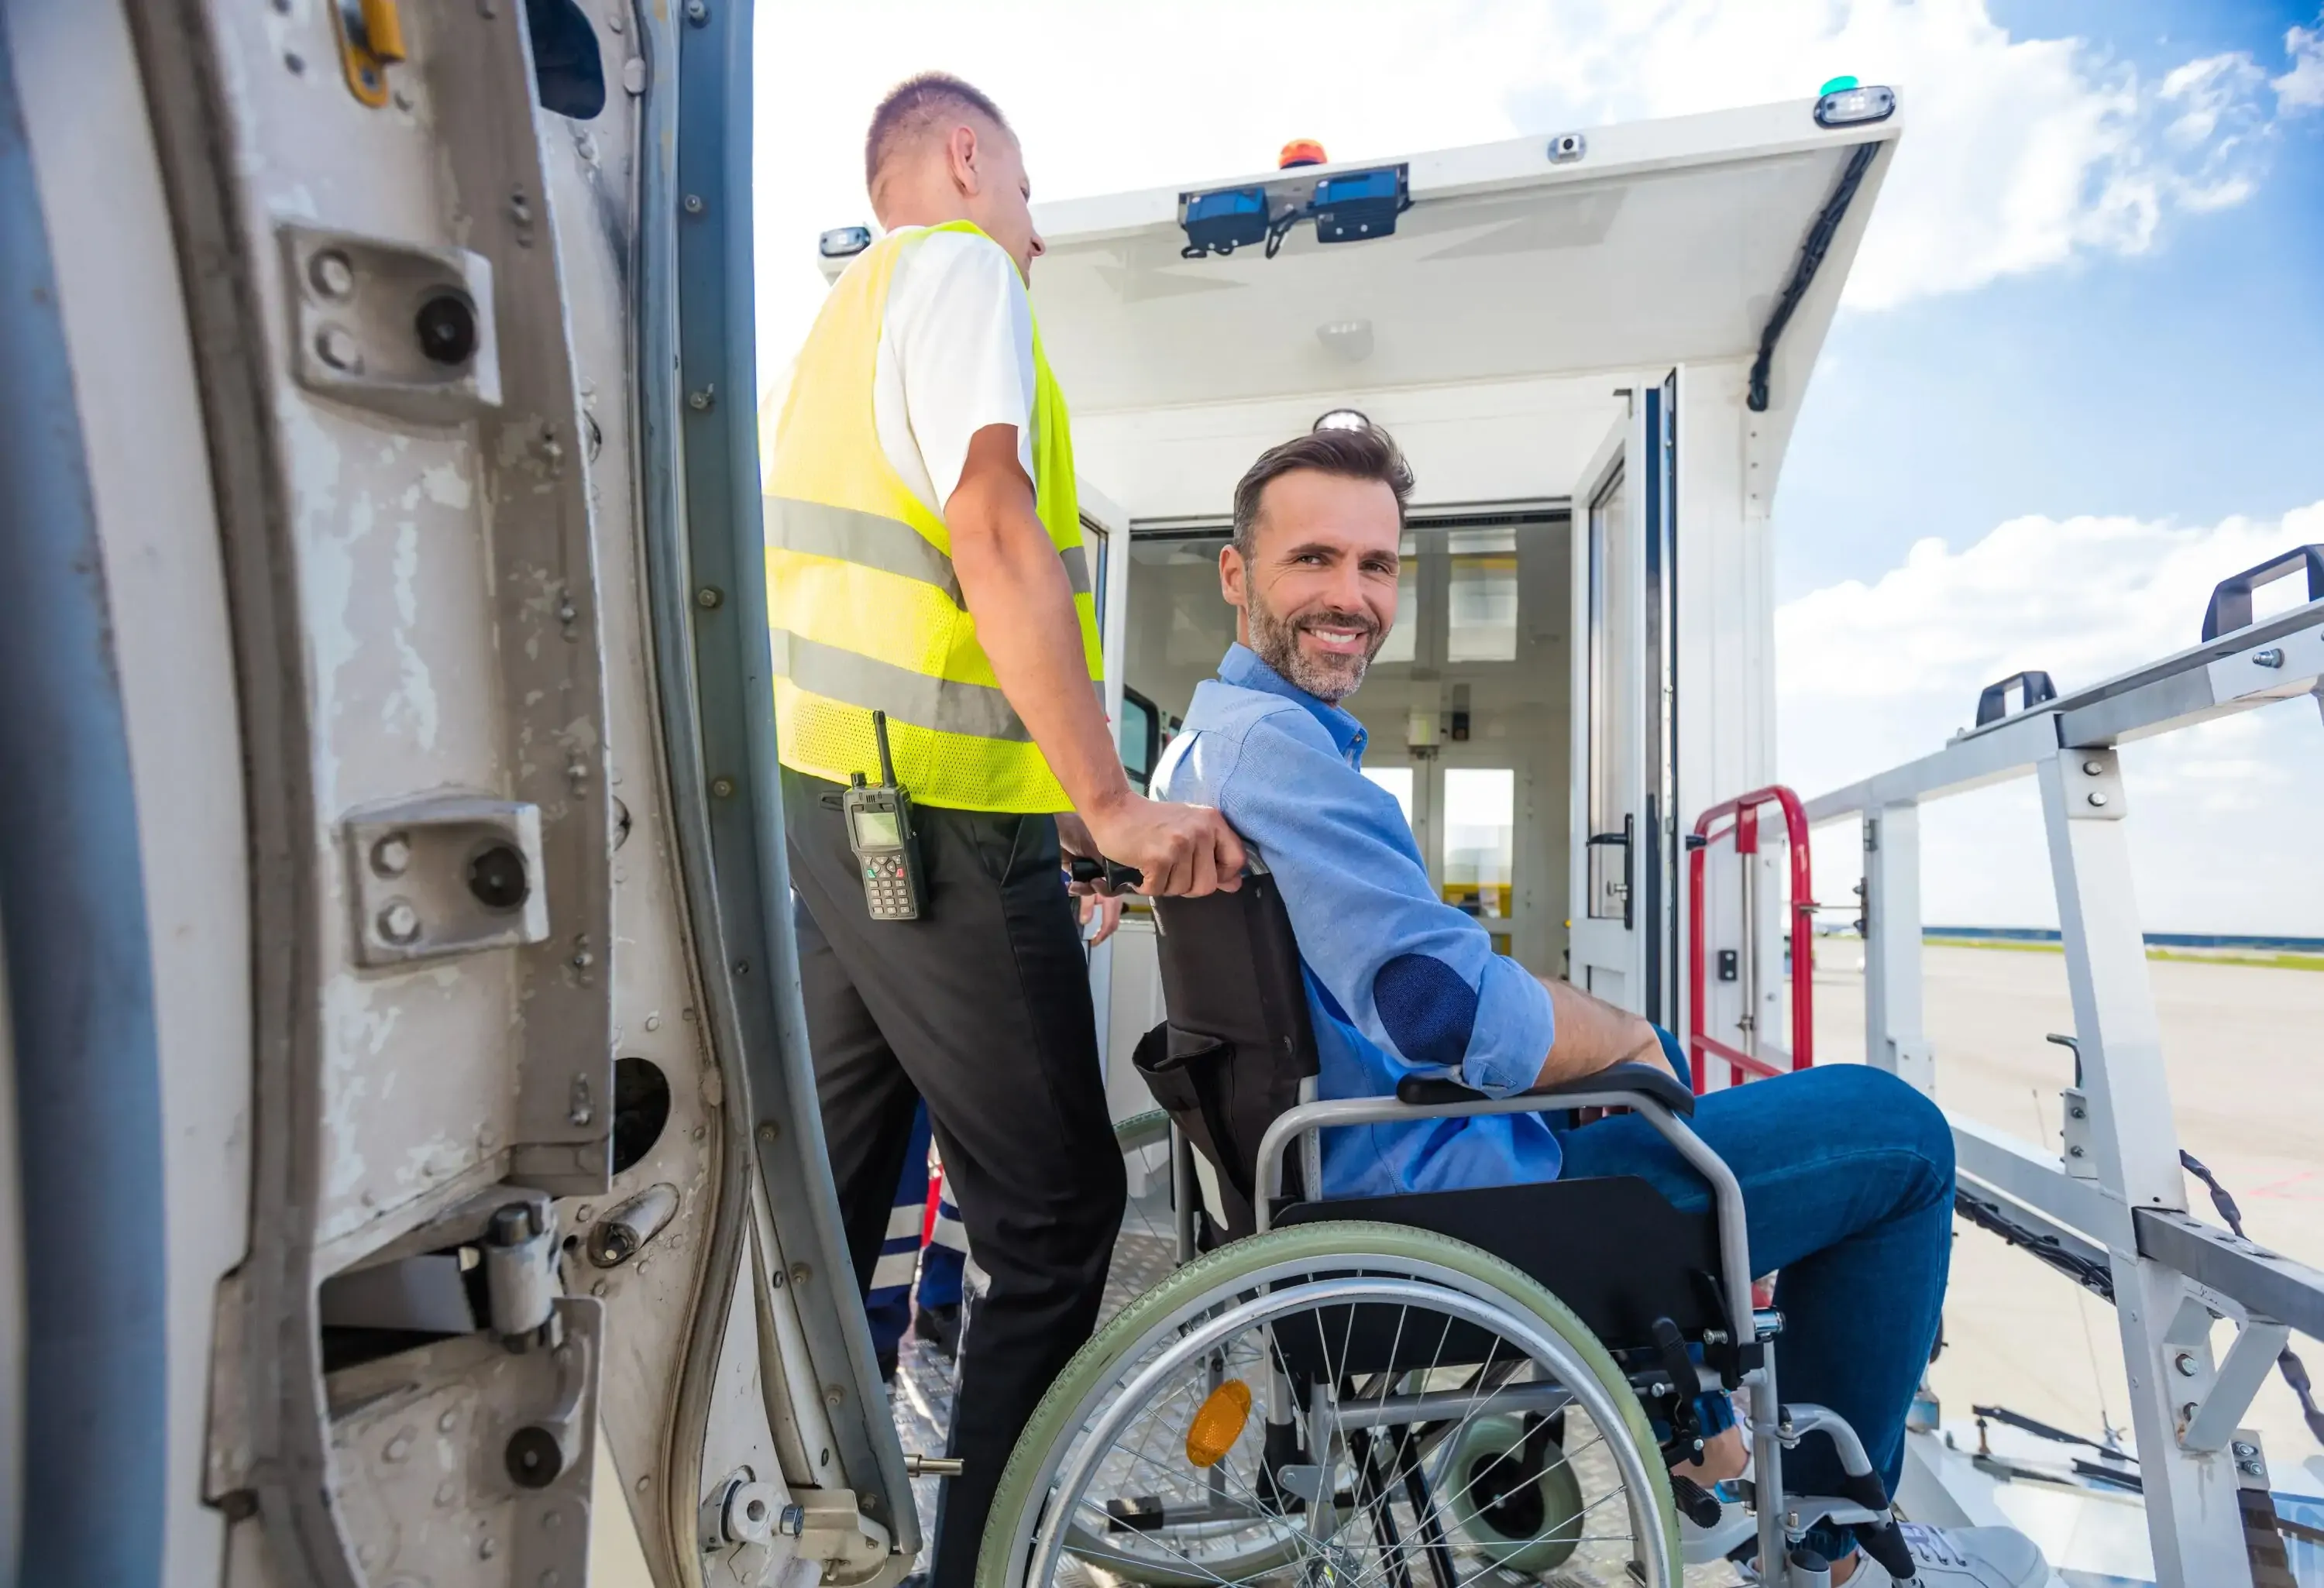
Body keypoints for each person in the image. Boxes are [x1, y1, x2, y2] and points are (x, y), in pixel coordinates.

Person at [1150, 424, 2047, 1588]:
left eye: (1376, 566)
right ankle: (1835, 1546)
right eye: (1312, 559)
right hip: (1442, 1224)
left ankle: (1704, 1446)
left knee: (1623, 1092)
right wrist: (1622, 1038)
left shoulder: (1205, 747)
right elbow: (1438, 1010)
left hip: (1356, 1188)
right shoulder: (1284, 753)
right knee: (1898, 1134)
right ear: (1236, 574)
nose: (1351, 596)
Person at [759, 72, 1245, 1588]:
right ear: (967, 160)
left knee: (828, 1205)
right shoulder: (960, 268)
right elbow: (990, 526)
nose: (1032, 238)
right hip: (938, 826)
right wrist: (1108, 797)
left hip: (836, 820)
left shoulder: (831, 334)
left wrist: (1069, 822)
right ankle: (976, 1559)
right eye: (1027, 195)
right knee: (1057, 1210)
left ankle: (797, 1528)